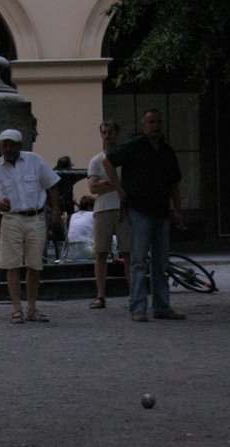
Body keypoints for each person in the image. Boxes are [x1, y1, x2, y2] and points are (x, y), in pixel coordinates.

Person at [103, 109, 185, 322]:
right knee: (139, 261)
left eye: (157, 122)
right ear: (144, 125)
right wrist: (119, 189)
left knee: (161, 262)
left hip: (161, 211)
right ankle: (138, 307)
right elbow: (108, 161)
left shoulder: (167, 151)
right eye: (151, 122)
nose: (155, 126)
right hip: (139, 210)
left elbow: (174, 182)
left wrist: (177, 209)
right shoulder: (135, 146)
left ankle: (162, 306)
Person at [0, 128, 62, 324]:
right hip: (12, 218)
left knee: (35, 264)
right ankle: (17, 308)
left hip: (35, 216)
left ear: (19, 146)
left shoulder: (35, 161)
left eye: (11, 145)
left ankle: (32, 307)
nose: (7, 149)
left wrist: (56, 211)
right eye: (4, 145)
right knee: (12, 264)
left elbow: (52, 184)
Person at [87, 119, 128, 309]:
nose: (107, 135)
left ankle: (132, 293)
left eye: (110, 132)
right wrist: (109, 185)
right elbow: (93, 187)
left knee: (128, 252)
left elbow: (126, 183)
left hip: (123, 207)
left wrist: (105, 184)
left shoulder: (125, 157)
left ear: (116, 134)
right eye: (104, 132)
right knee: (100, 253)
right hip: (102, 209)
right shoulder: (96, 160)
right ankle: (100, 295)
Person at [47, 156, 75, 262]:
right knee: (58, 234)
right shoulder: (68, 177)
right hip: (57, 209)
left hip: (54, 208)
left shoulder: (53, 174)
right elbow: (68, 197)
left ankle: (57, 256)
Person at [66, 195, 96, 261]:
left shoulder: (73, 216)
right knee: (112, 238)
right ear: (91, 207)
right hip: (85, 248)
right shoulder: (93, 215)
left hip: (70, 250)